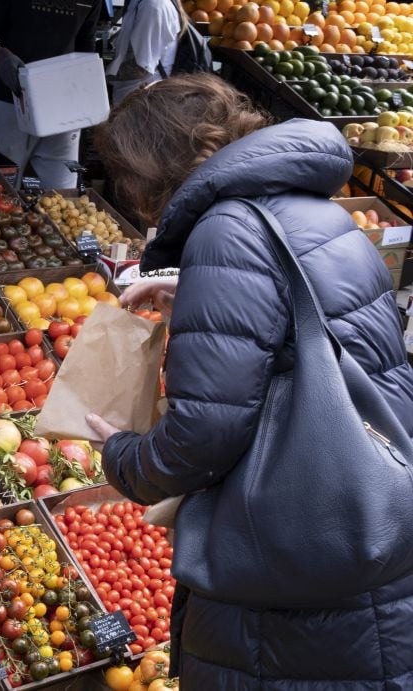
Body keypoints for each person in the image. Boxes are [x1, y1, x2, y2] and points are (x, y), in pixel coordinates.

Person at [86, 74, 413, 687]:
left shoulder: (226, 230)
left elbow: (203, 434)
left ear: (147, 171)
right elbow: (334, 336)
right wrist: (198, 290)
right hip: (369, 519)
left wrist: (123, 457)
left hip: (289, 574)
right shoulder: (316, 209)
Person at [0, 0, 103, 190]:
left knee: (60, 196)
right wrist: (1, 56)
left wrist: (89, 97)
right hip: (11, 101)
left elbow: (86, 47)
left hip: (64, 108)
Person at [106, 0, 185, 105]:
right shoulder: (140, 3)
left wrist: (100, 77)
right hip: (138, 99)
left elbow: (141, 68)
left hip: (142, 102)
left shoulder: (151, 6)